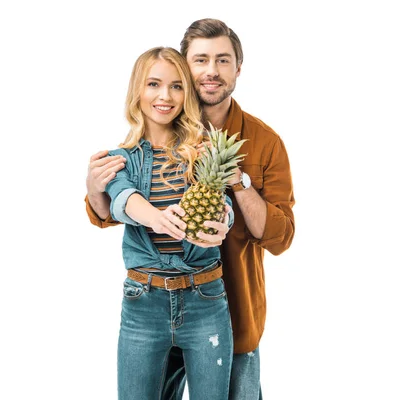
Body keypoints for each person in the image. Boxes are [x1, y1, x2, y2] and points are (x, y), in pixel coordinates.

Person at [85, 19, 295, 399]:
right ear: (185, 66)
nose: (211, 71)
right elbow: (114, 208)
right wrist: (97, 189)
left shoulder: (265, 142)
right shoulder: (160, 141)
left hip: (226, 306)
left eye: (223, 60)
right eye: (200, 60)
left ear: (238, 69)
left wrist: (237, 187)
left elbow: (280, 237)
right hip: (149, 300)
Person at [102, 45, 236, 400]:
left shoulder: (202, 151)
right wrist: (157, 218)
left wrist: (224, 220)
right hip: (143, 302)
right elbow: (121, 200)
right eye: (154, 84)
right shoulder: (121, 159)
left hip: (205, 299)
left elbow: (221, 200)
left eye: (177, 86)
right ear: (138, 92)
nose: (165, 95)